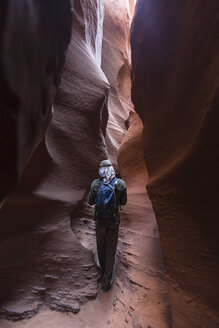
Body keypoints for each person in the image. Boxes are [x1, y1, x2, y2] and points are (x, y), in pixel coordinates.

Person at [88, 159, 127, 291]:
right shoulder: (120, 184)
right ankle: (107, 280)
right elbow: (124, 202)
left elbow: (90, 201)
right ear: (111, 169)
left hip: (99, 221)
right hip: (113, 221)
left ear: (101, 170)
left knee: (101, 247)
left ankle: (103, 270)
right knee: (111, 250)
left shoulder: (95, 184)